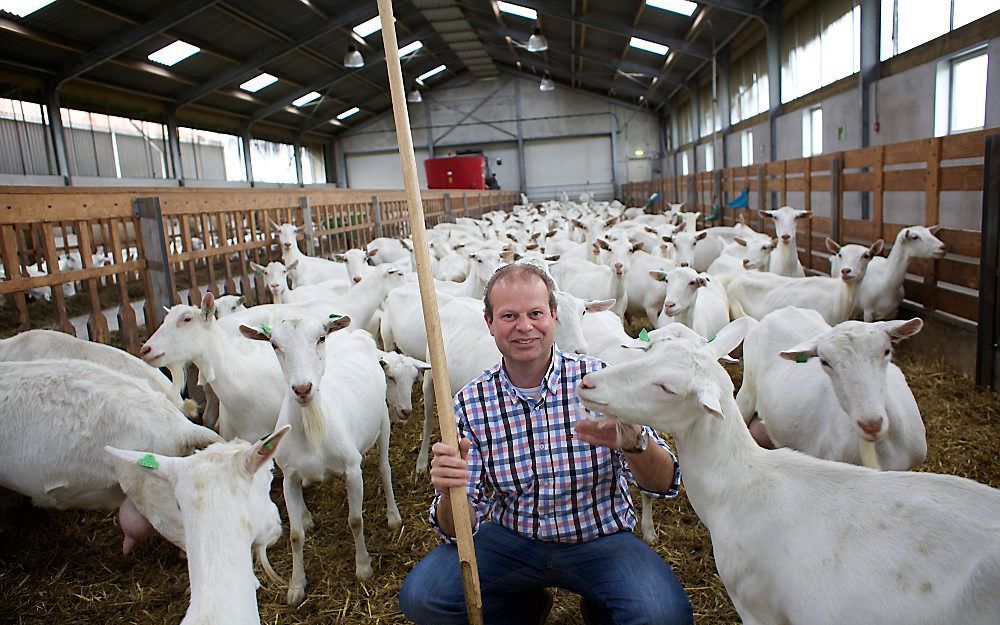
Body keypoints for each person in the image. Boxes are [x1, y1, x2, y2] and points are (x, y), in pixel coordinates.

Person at [399, 263, 693, 625]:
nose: (524, 327)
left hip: (599, 538)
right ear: (489, 323)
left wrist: (635, 442)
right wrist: (450, 492)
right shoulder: (470, 404)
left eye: (536, 313)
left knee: (664, 615)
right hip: (511, 540)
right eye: (509, 316)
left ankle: (600, 609)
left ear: (554, 315)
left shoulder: (600, 381)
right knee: (423, 597)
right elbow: (453, 527)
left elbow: (664, 483)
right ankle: (524, 608)